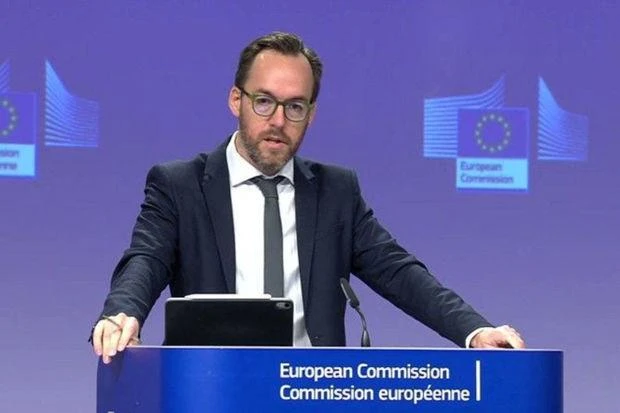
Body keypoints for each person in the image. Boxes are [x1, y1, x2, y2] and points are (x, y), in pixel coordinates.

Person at [92, 31, 524, 364]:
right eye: (264, 102)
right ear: (236, 100)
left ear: (311, 115)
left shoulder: (336, 192)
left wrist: (474, 331)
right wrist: (122, 313)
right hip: (214, 388)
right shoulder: (181, 185)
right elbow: (145, 260)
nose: (278, 121)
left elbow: (400, 273)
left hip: (312, 392)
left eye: (295, 107)